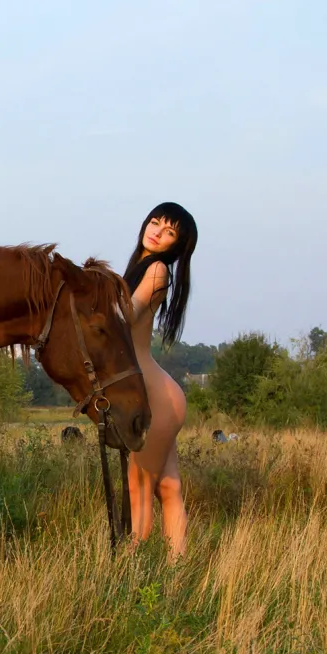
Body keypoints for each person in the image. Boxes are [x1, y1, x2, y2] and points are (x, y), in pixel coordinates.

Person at [121, 202, 197, 557]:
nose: (157, 233)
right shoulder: (138, 267)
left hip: (157, 397)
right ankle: (177, 569)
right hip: (159, 391)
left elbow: (126, 314)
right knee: (168, 487)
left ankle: (130, 565)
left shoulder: (156, 270)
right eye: (155, 223)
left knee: (138, 485)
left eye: (169, 232)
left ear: (176, 246)